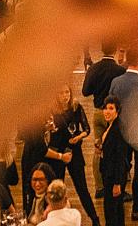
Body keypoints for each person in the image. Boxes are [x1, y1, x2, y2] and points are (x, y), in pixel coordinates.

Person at [107, 50, 138, 221]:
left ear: (127, 61)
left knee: (121, 170)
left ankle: (118, 205)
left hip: (121, 132)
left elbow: (110, 106)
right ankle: (137, 207)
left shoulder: (116, 82)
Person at [45, 86, 99, 226]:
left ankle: (95, 219)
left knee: (82, 188)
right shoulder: (51, 110)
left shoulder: (76, 107)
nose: (65, 95)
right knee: (57, 190)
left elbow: (86, 129)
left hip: (73, 151)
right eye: (61, 92)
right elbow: (46, 130)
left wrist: (79, 137)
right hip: (57, 153)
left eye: (67, 92)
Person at [81, 43, 126, 199]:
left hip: (98, 112)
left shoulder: (94, 68)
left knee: (98, 149)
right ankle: (117, 183)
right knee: (117, 150)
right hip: (113, 114)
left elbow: (85, 91)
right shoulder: (120, 70)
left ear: (101, 49)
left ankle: (99, 187)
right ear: (115, 49)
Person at [98, 96, 129, 226]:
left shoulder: (118, 130)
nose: (107, 111)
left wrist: (117, 183)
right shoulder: (110, 125)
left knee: (111, 211)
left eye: (111, 108)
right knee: (116, 209)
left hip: (114, 176)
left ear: (117, 111)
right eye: (105, 108)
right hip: (109, 173)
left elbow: (120, 158)